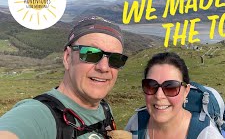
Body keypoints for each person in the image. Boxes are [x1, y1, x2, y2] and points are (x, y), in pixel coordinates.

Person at [0, 16, 129, 139]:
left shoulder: (104, 109)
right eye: (91, 54)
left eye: (115, 59)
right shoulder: (39, 115)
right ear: (67, 57)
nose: (104, 67)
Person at [125, 52, 224, 139]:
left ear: (186, 91)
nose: (159, 96)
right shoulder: (136, 123)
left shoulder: (207, 135)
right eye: (151, 85)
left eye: (171, 87)